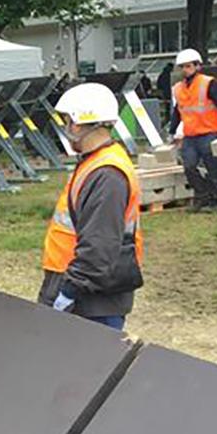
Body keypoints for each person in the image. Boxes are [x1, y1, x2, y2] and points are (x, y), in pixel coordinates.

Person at [38, 83, 144, 331]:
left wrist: (67, 293)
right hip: (83, 290)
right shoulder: (96, 163)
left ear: (77, 123)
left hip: (90, 301)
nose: (66, 128)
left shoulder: (106, 175)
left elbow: (99, 247)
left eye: (67, 121)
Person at [168, 48, 217, 212]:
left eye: (188, 66)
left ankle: (216, 202)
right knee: (189, 167)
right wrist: (171, 131)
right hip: (190, 135)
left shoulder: (209, 83)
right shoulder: (178, 88)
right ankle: (203, 196)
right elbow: (178, 111)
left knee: (214, 168)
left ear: (197, 66)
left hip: (209, 132)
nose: (185, 70)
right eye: (182, 66)